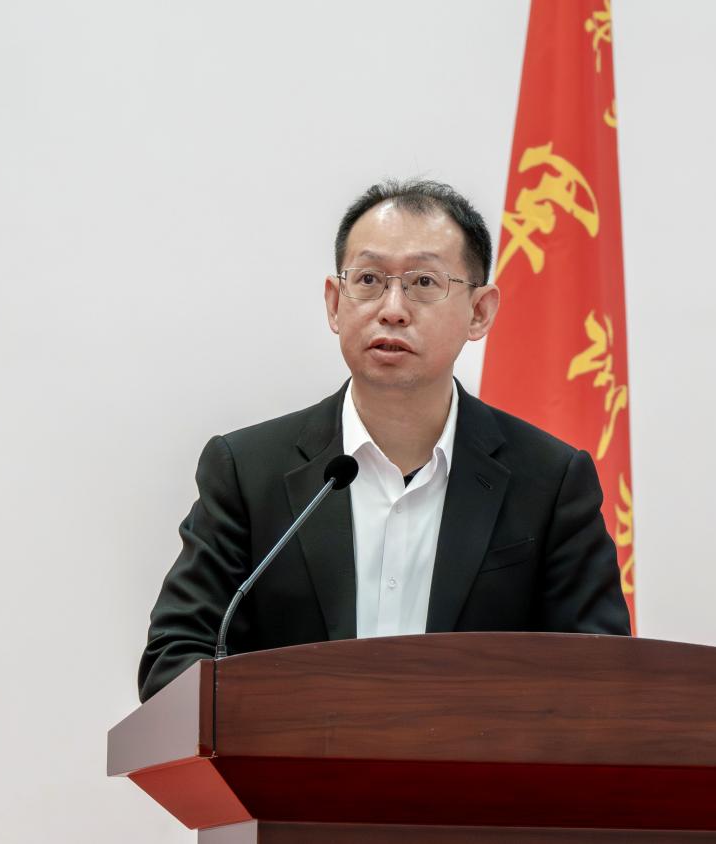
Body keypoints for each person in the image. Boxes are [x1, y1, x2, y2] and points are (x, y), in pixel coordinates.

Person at [138, 180, 630, 702]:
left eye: (423, 282)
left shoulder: (549, 482)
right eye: (369, 279)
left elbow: (599, 680)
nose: (392, 308)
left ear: (480, 312)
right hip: (297, 756)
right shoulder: (246, 471)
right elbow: (175, 661)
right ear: (335, 304)